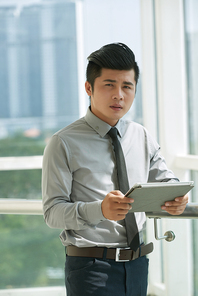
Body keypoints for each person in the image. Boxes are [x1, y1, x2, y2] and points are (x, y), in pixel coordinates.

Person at [42, 43, 188, 296]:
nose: (119, 95)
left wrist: (176, 198)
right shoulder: (63, 142)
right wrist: (100, 209)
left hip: (138, 264)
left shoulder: (140, 135)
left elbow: (166, 180)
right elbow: (52, 213)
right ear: (89, 88)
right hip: (91, 268)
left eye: (127, 86)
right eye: (109, 85)